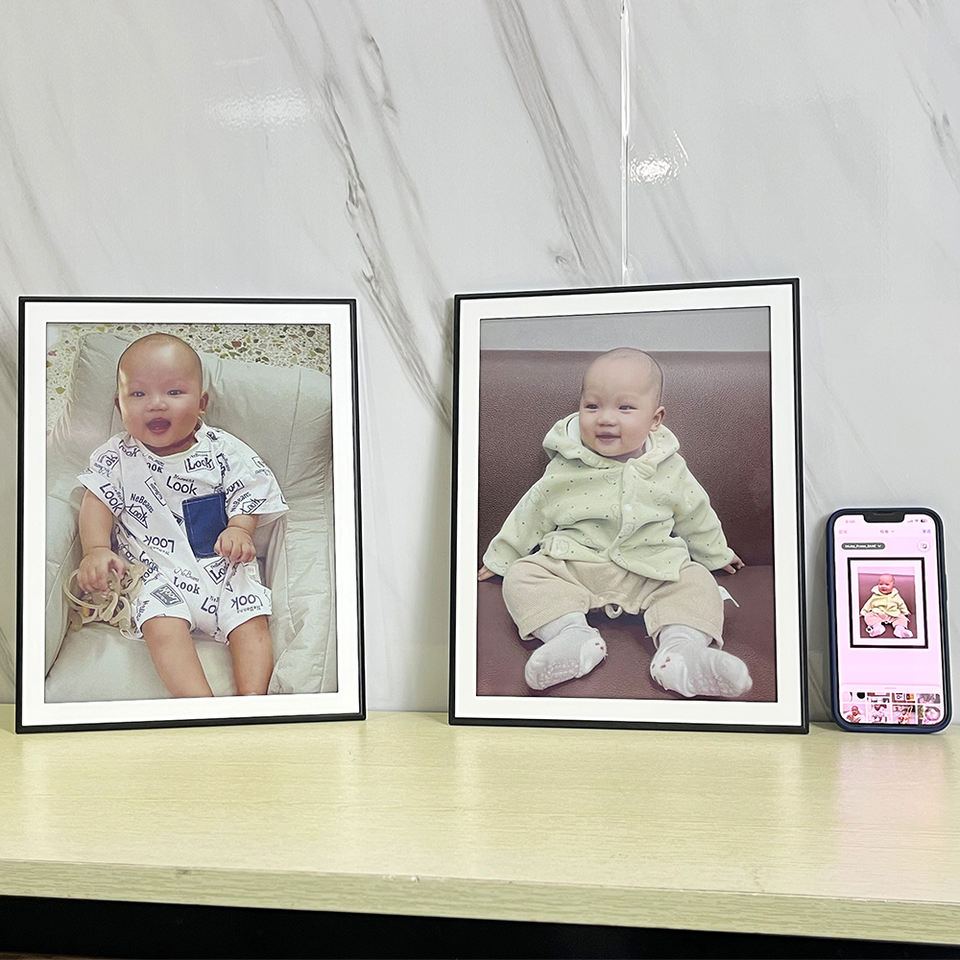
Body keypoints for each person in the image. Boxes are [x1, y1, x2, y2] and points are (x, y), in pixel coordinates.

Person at [478, 347, 753, 699]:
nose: (605, 419)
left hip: (651, 568)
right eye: (592, 406)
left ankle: (681, 653)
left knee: (696, 581)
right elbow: (530, 512)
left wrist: (716, 554)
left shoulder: (670, 468)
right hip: (574, 565)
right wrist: (502, 557)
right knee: (523, 574)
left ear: (655, 419)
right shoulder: (566, 467)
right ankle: (571, 637)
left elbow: (696, 514)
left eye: (625, 408)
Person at [74, 333, 288, 697]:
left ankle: (252, 703)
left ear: (201, 403)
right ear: (119, 405)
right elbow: (97, 502)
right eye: (138, 394)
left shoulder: (222, 449)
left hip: (221, 565)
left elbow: (250, 489)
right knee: (161, 626)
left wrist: (239, 528)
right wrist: (95, 549)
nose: (156, 405)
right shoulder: (117, 457)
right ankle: (199, 704)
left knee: (251, 619)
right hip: (154, 572)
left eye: (174, 392)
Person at [860, 574, 913, 639]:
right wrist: (864, 612)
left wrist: (905, 612)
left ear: (893, 586)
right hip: (878, 613)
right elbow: (869, 604)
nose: (883, 586)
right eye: (881, 584)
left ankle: (900, 629)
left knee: (902, 618)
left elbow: (901, 604)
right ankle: (877, 627)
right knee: (869, 615)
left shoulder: (895, 596)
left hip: (893, 614)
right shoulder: (875, 595)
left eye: (887, 584)